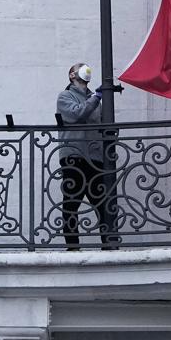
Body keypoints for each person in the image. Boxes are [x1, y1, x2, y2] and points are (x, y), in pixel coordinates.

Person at [57, 62, 107, 248]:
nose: (86, 69)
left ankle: (109, 245)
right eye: (80, 67)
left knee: (102, 204)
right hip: (74, 156)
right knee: (71, 204)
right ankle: (73, 247)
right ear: (72, 75)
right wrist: (97, 97)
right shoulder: (65, 96)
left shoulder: (95, 100)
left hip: (95, 158)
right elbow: (76, 114)